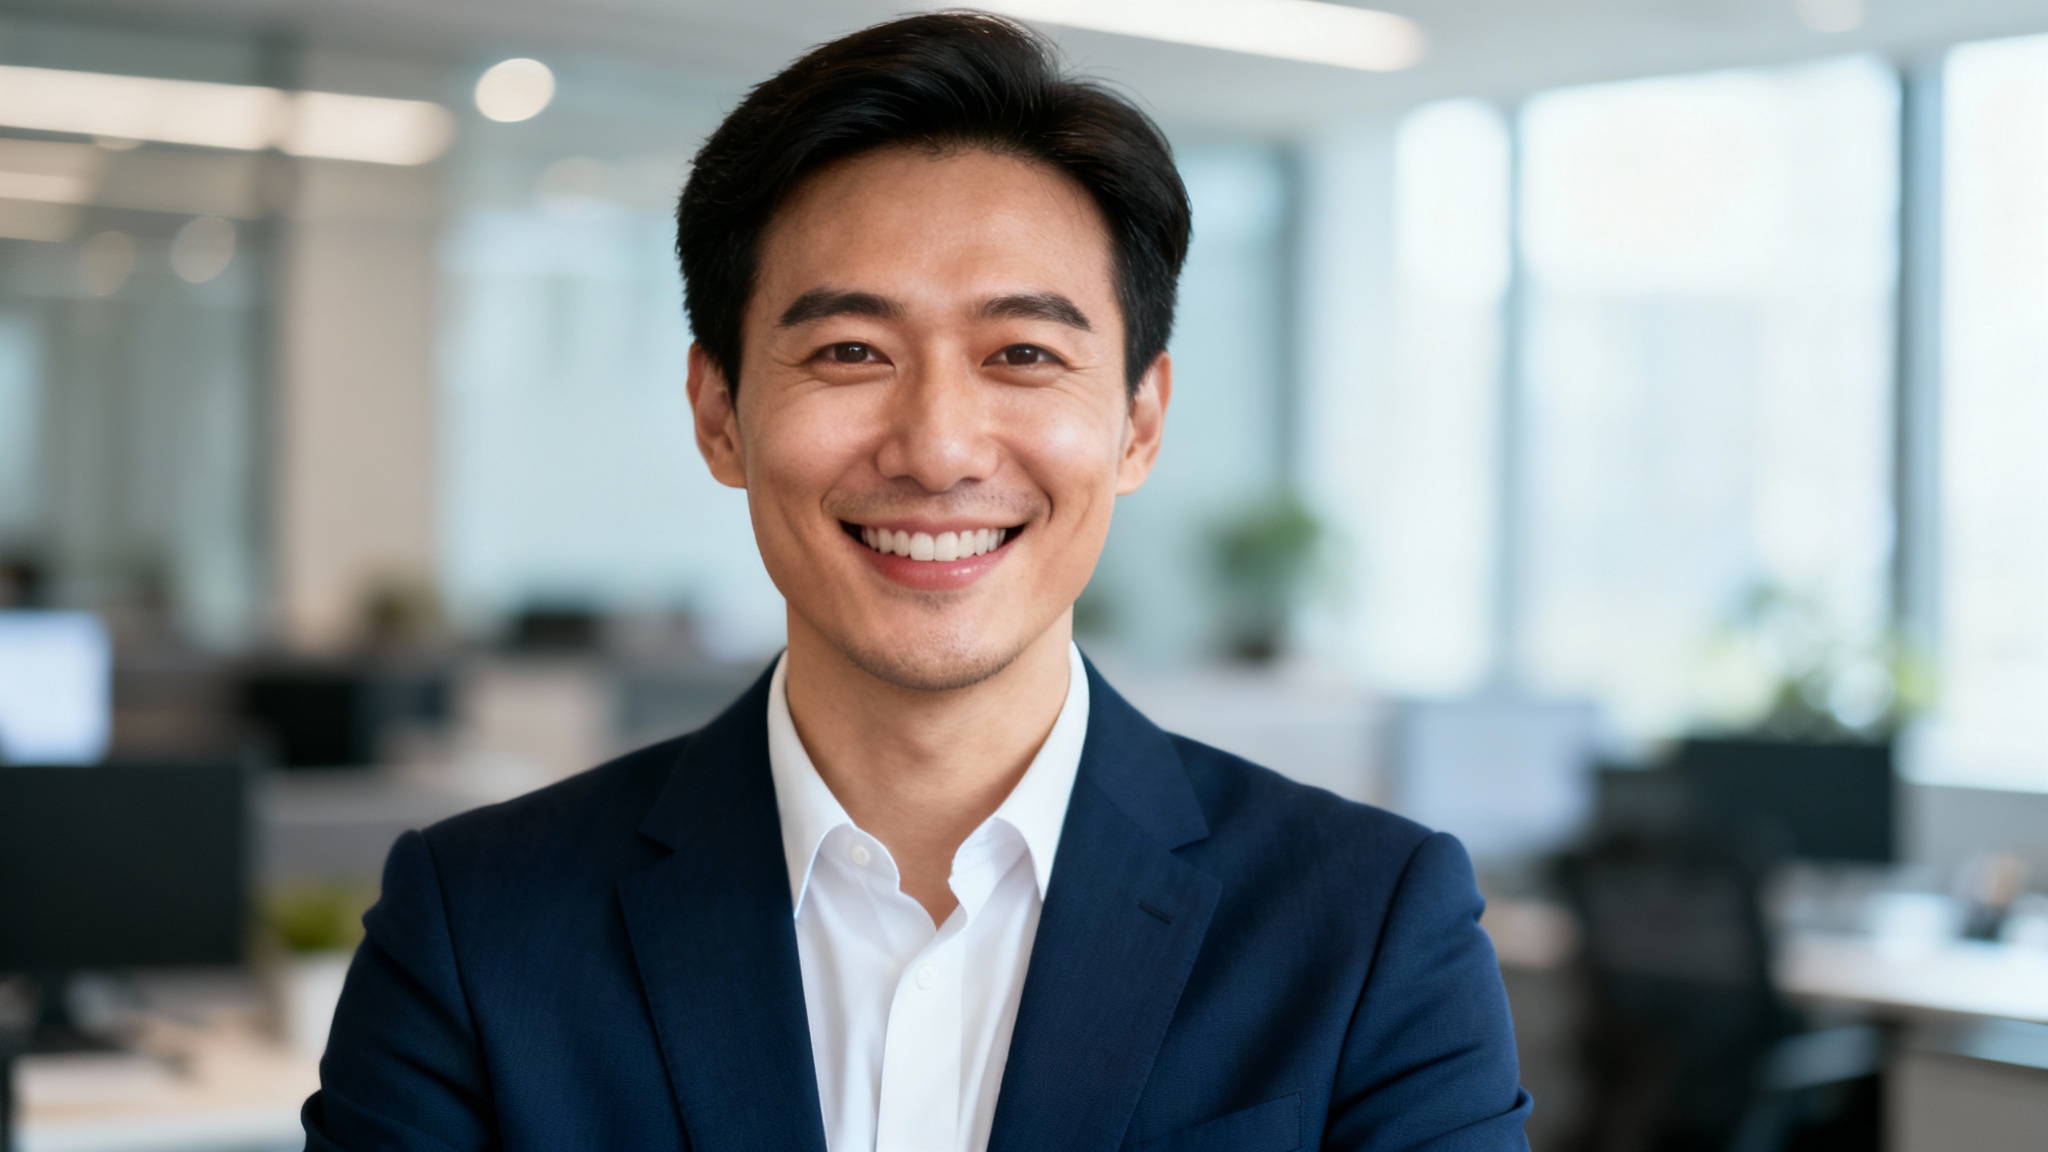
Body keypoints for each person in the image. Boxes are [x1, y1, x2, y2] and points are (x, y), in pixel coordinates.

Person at [304, 13, 1532, 1151]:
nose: (938, 447)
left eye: (1022, 354)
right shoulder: (479, 928)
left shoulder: (1368, 929)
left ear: (1138, 423)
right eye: (849, 351)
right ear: (719, 413)